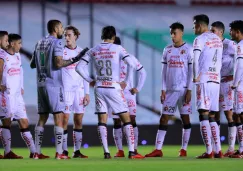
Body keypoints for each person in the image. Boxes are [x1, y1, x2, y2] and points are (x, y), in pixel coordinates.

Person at [76, 26, 144, 159]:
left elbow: (79, 67)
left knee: (102, 120)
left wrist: (90, 80)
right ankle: (131, 152)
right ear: (113, 37)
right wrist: (125, 81)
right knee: (126, 119)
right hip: (114, 87)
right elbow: (130, 64)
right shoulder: (118, 48)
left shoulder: (94, 49)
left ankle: (106, 152)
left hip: (99, 87)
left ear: (102, 36)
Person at [30, 20, 88, 159]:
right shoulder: (58, 43)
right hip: (54, 84)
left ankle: (36, 153)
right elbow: (58, 63)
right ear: (56, 28)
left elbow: (33, 64)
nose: (62, 30)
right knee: (59, 116)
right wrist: (76, 59)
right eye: (61, 27)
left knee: (42, 117)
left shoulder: (39, 42)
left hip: (40, 84)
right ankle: (60, 152)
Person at [145, 22, 193, 158]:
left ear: (181, 33)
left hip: (183, 90)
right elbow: (164, 71)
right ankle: (158, 149)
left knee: (185, 119)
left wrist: (189, 89)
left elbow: (191, 71)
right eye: (171, 33)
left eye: (175, 33)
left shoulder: (188, 49)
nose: (172, 36)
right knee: (164, 118)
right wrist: (163, 89)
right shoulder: (167, 50)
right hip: (170, 91)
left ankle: (183, 149)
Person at [0, 34, 38, 159]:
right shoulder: (2, 57)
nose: (21, 46)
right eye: (19, 43)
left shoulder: (17, 56)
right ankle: (7, 152)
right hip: (7, 95)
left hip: (17, 96)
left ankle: (33, 152)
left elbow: (20, 72)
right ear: (12, 44)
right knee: (7, 122)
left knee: (24, 122)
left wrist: (21, 87)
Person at [192, 14, 223, 159]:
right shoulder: (217, 39)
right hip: (216, 80)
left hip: (204, 79)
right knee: (212, 116)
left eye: (194, 25)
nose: (193, 28)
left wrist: (195, 76)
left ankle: (209, 151)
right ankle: (218, 151)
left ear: (199, 25)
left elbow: (196, 59)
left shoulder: (200, 39)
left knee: (203, 114)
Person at [110, 36, 146, 157]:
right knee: (116, 121)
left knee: (132, 120)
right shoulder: (109, 59)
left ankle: (134, 149)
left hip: (128, 94)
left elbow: (143, 72)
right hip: (114, 93)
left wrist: (137, 88)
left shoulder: (129, 58)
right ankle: (120, 150)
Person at [62, 26, 89, 158]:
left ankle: (76, 151)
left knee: (78, 120)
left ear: (76, 36)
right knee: (65, 119)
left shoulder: (82, 52)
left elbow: (85, 74)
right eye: (65, 35)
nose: (66, 38)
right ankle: (64, 150)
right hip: (66, 90)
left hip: (79, 90)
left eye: (69, 35)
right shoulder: (61, 52)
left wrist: (87, 93)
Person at [210, 21, 237, 157]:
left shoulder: (230, 45)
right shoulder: (212, 46)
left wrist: (234, 75)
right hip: (215, 83)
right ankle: (216, 148)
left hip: (228, 83)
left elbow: (240, 60)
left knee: (229, 114)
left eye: (213, 31)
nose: (211, 33)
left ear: (221, 32)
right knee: (215, 114)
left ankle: (231, 148)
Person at [228, 20, 243, 158]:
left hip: (240, 87)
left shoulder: (240, 46)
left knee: (239, 115)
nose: (230, 32)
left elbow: (240, 66)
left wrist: (235, 83)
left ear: (237, 32)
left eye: (231, 30)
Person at [0, 30, 9, 159]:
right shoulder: (1, 53)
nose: (8, 43)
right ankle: (7, 151)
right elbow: (0, 69)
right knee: (6, 118)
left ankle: (7, 151)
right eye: (6, 40)